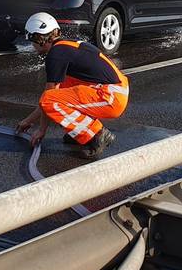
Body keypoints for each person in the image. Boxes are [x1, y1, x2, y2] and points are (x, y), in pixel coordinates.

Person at [15, 12, 126, 159]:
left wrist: (41, 130)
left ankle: (96, 134)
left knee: (50, 100)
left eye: (32, 40)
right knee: (62, 91)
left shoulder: (55, 55)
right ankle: (81, 133)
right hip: (114, 91)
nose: (32, 45)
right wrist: (28, 121)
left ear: (38, 38)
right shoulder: (67, 46)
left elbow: (47, 100)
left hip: (111, 97)